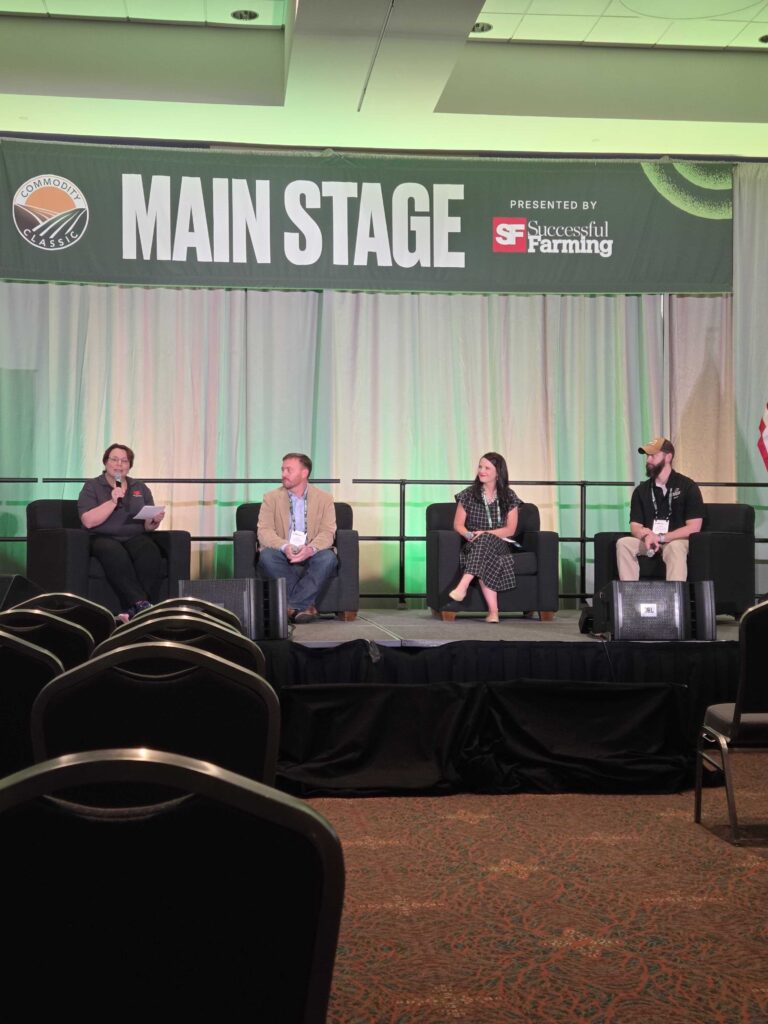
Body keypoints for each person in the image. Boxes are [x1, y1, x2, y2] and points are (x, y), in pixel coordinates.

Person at [78, 443, 166, 623]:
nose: (119, 464)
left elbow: (148, 527)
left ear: (129, 465)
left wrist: (154, 521)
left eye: (124, 461)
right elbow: (88, 521)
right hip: (102, 537)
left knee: (149, 551)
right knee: (114, 552)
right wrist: (112, 501)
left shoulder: (139, 487)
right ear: (105, 462)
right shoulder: (92, 486)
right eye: (114, 459)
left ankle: (132, 610)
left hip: (134, 536)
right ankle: (141, 602)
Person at [257, 453, 337, 624]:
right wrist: (285, 546)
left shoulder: (325, 499)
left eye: (289, 470)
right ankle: (305, 606)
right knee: (267, 557)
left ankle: (292, 606)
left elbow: (327, 532)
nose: (283, 474)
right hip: (282, 551)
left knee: (328, 558)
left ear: (304, 473)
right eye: (282, 470)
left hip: (311, 551)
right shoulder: (271, 498)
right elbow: (264, 531)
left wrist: (310, 549)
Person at [616, 437, 704, 582]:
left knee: (674, 547)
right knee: (624, 543)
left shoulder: (688, 486)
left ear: (668, 457)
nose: (648, 460)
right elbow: (635, 526)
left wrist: (662, 537)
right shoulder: (641, 490)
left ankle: (675, 601)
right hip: (650, 541)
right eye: (647, 456)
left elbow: (694, 527)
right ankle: (629, 598)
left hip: (677, 541)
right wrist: (646, 535)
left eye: (653, 455)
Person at [449, 452, 523, 623]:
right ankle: (493, 612)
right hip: (473, 543)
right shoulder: (467, 494)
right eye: (480, 467)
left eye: (487, 468)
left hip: (501, 543)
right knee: (484, 545)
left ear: (498, 472)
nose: (482, 471)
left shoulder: (509, 496)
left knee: (486, 539)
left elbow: (510, 529)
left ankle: (463, 586)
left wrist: (486, 533)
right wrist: (468, 534)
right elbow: (458, 524)